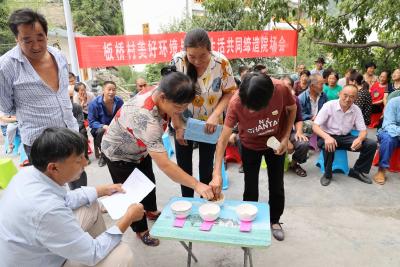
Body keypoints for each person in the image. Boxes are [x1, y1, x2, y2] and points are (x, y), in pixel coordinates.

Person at [0, 127, 144, 267]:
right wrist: (128, 217)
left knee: (90, 203)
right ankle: (94, 251)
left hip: (35, 247)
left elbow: (65, 199)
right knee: (122, 254)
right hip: (43, 261)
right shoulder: (46, 210)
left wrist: (103, 190)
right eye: (78, 160)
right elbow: (93, 253)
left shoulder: (31, 172)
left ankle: (90, 248)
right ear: (54, 168)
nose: (86, 163)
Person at [101, 70, 215, 247]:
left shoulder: (163, 91)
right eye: (179, 107)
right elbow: (166, 166)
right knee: (131, 194)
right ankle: (141, 230)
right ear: (163, 98)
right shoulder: (146, 119)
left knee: (148, 181)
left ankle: (151, 211)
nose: (181, 111)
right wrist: (197, 184)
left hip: (140, 148)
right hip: (118, 154)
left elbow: (175, 111)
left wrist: (177, 125)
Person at [213, 73, 297, 241]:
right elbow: (222, 141)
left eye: (255, 108)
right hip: (250, 145)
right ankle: (248, 218)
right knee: (250, 186)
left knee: (277, 184)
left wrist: (286, 137)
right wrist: (217, 173)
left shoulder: (280, 89)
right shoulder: (236, 102)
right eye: (248, 107)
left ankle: (274, 220)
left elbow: (292, 109)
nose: (250, 111)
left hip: (275, 143)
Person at [0, 9, 78, 159]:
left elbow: (62, 92)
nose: (36, 46)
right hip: (39, 143)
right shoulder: (6, 66)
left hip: (71, 132)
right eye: (27, 40)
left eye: (40, 38)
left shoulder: (59, 56)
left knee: (78, 177)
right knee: (48, 182)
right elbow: (7, 107)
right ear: (17, 38)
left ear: (46, 35)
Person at [171, 28, 236, 198]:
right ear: (186, 51)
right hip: (183, 124)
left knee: (206, 170)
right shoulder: (178, 61)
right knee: (184, 171)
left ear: (210, 50)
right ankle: (187, 204)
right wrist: (177, 126)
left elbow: (229, 92)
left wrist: (215, 115)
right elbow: (171, 97)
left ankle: (205, 206)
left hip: (210, 125)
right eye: (192, 57)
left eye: (203, 56)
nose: (197, 61)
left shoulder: (221, 63)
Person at [313, 85, 377, 186]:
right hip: (326, 136)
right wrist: (327, 137)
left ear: (356, 98)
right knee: (329, 145)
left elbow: (363, 130)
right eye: (345, 95)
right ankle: (327, 174)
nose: (347, 99)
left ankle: (357, 171)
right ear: (339, 94)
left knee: (371, 144)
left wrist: (360, 139)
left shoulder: (356, 109)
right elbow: (315, 126)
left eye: (352, 97)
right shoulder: (329, 105)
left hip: (345, 137)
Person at [88, 81, 123, 167]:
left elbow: (123, 115)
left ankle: (122, 152)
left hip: (115, 126)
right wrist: (103, 126)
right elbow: (91, 122)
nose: (111, 92)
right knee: (101, 131)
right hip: (100, 128)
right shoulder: (94, 104)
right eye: (109, 89)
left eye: (114, 90)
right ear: (103, 90)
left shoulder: (119, 101)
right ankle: (103, 155)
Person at [282, 76, 310, 177]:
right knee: (275, 146)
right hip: (272, 135)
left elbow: (298, 119)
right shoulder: (271, 100)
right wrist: (285, 140)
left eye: (288, 85)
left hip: (290, 132)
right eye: (282, 85)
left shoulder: (295, 99)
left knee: (304, 143)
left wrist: (299, 131)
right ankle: (275, 164)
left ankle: (294, 164)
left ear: (292, 88)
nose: (285, 88)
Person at [373, 96, 400, 185]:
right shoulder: (394, 102)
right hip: (391, 131)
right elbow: (388, 125)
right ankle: (382, 169)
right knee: (388, 139)